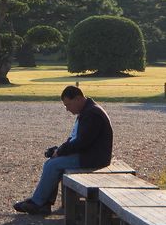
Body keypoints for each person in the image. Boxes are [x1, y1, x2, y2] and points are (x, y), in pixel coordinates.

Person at [13, 85, 113, 215]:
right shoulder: (87, 111)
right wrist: (59, 150)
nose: (67, 109)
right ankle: (44, 203)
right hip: (89, 154)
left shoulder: (92, 114)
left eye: (68, 105)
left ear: (77, 99)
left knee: (53, 165)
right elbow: (76, 140)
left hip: (94, 158)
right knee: (53, 162)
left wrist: (60, 151)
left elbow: (81, 142)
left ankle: (38, 203)